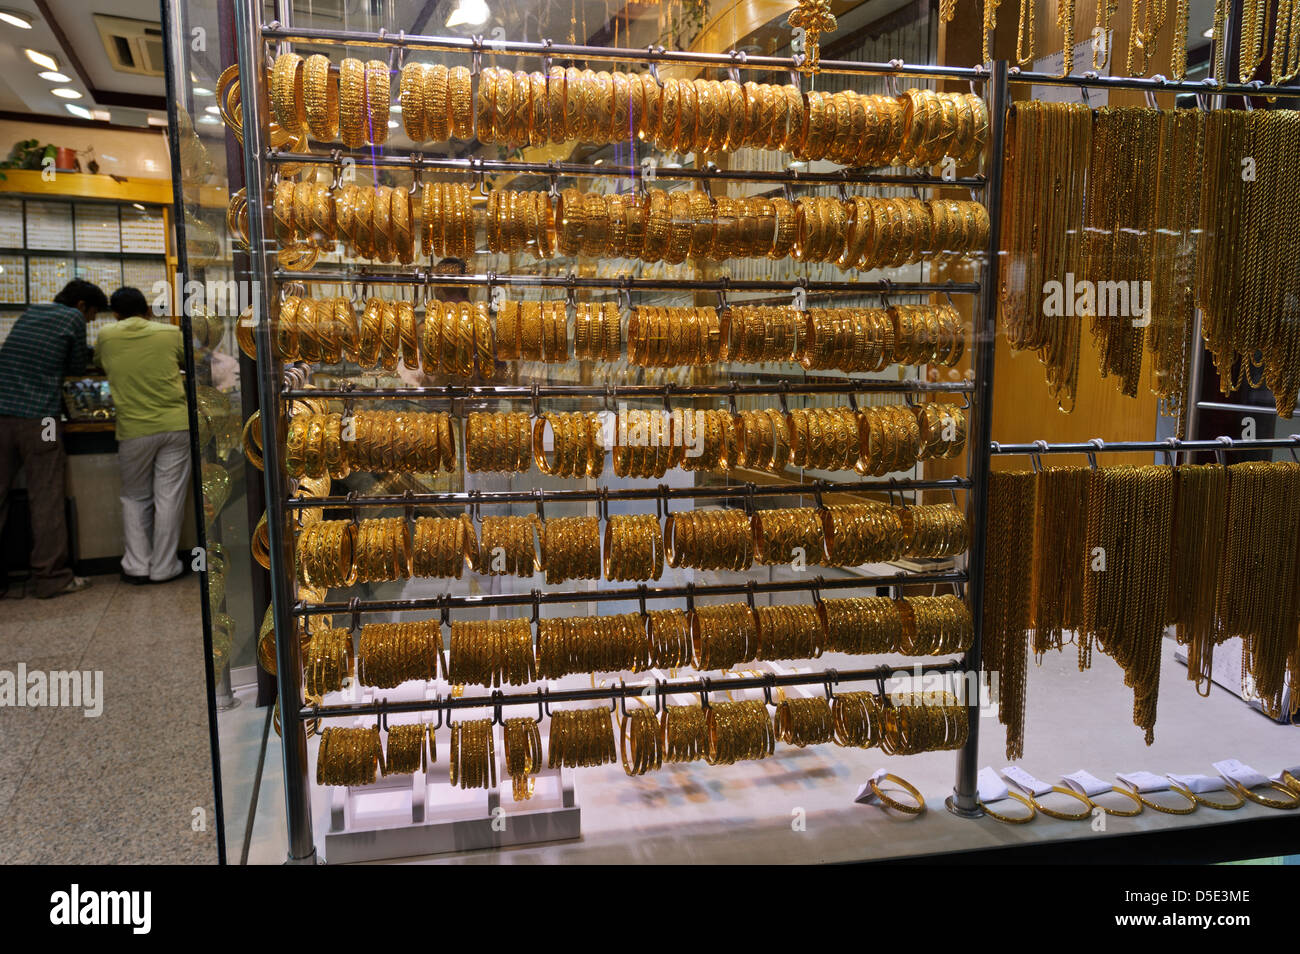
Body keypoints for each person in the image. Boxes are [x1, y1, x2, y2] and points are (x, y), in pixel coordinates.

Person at [0, 278, 105, 597]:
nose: (87, 322)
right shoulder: (72, 318)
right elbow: (74, 366)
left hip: (1, 414)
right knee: (46, 498)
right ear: (82, 306)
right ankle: (51, 577)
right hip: (41, 419)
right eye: (91, 316)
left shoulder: (32, 313)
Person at [94, 287, 192, 584]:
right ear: (148, 310)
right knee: (169, 497)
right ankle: (164, 567)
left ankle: (137, 566)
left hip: (134, 428)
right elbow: (192, 364)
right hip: (176, 424)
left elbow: (99, 365)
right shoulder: (171, 333)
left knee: (135, 497)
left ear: (115, 313)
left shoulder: (106, 335)